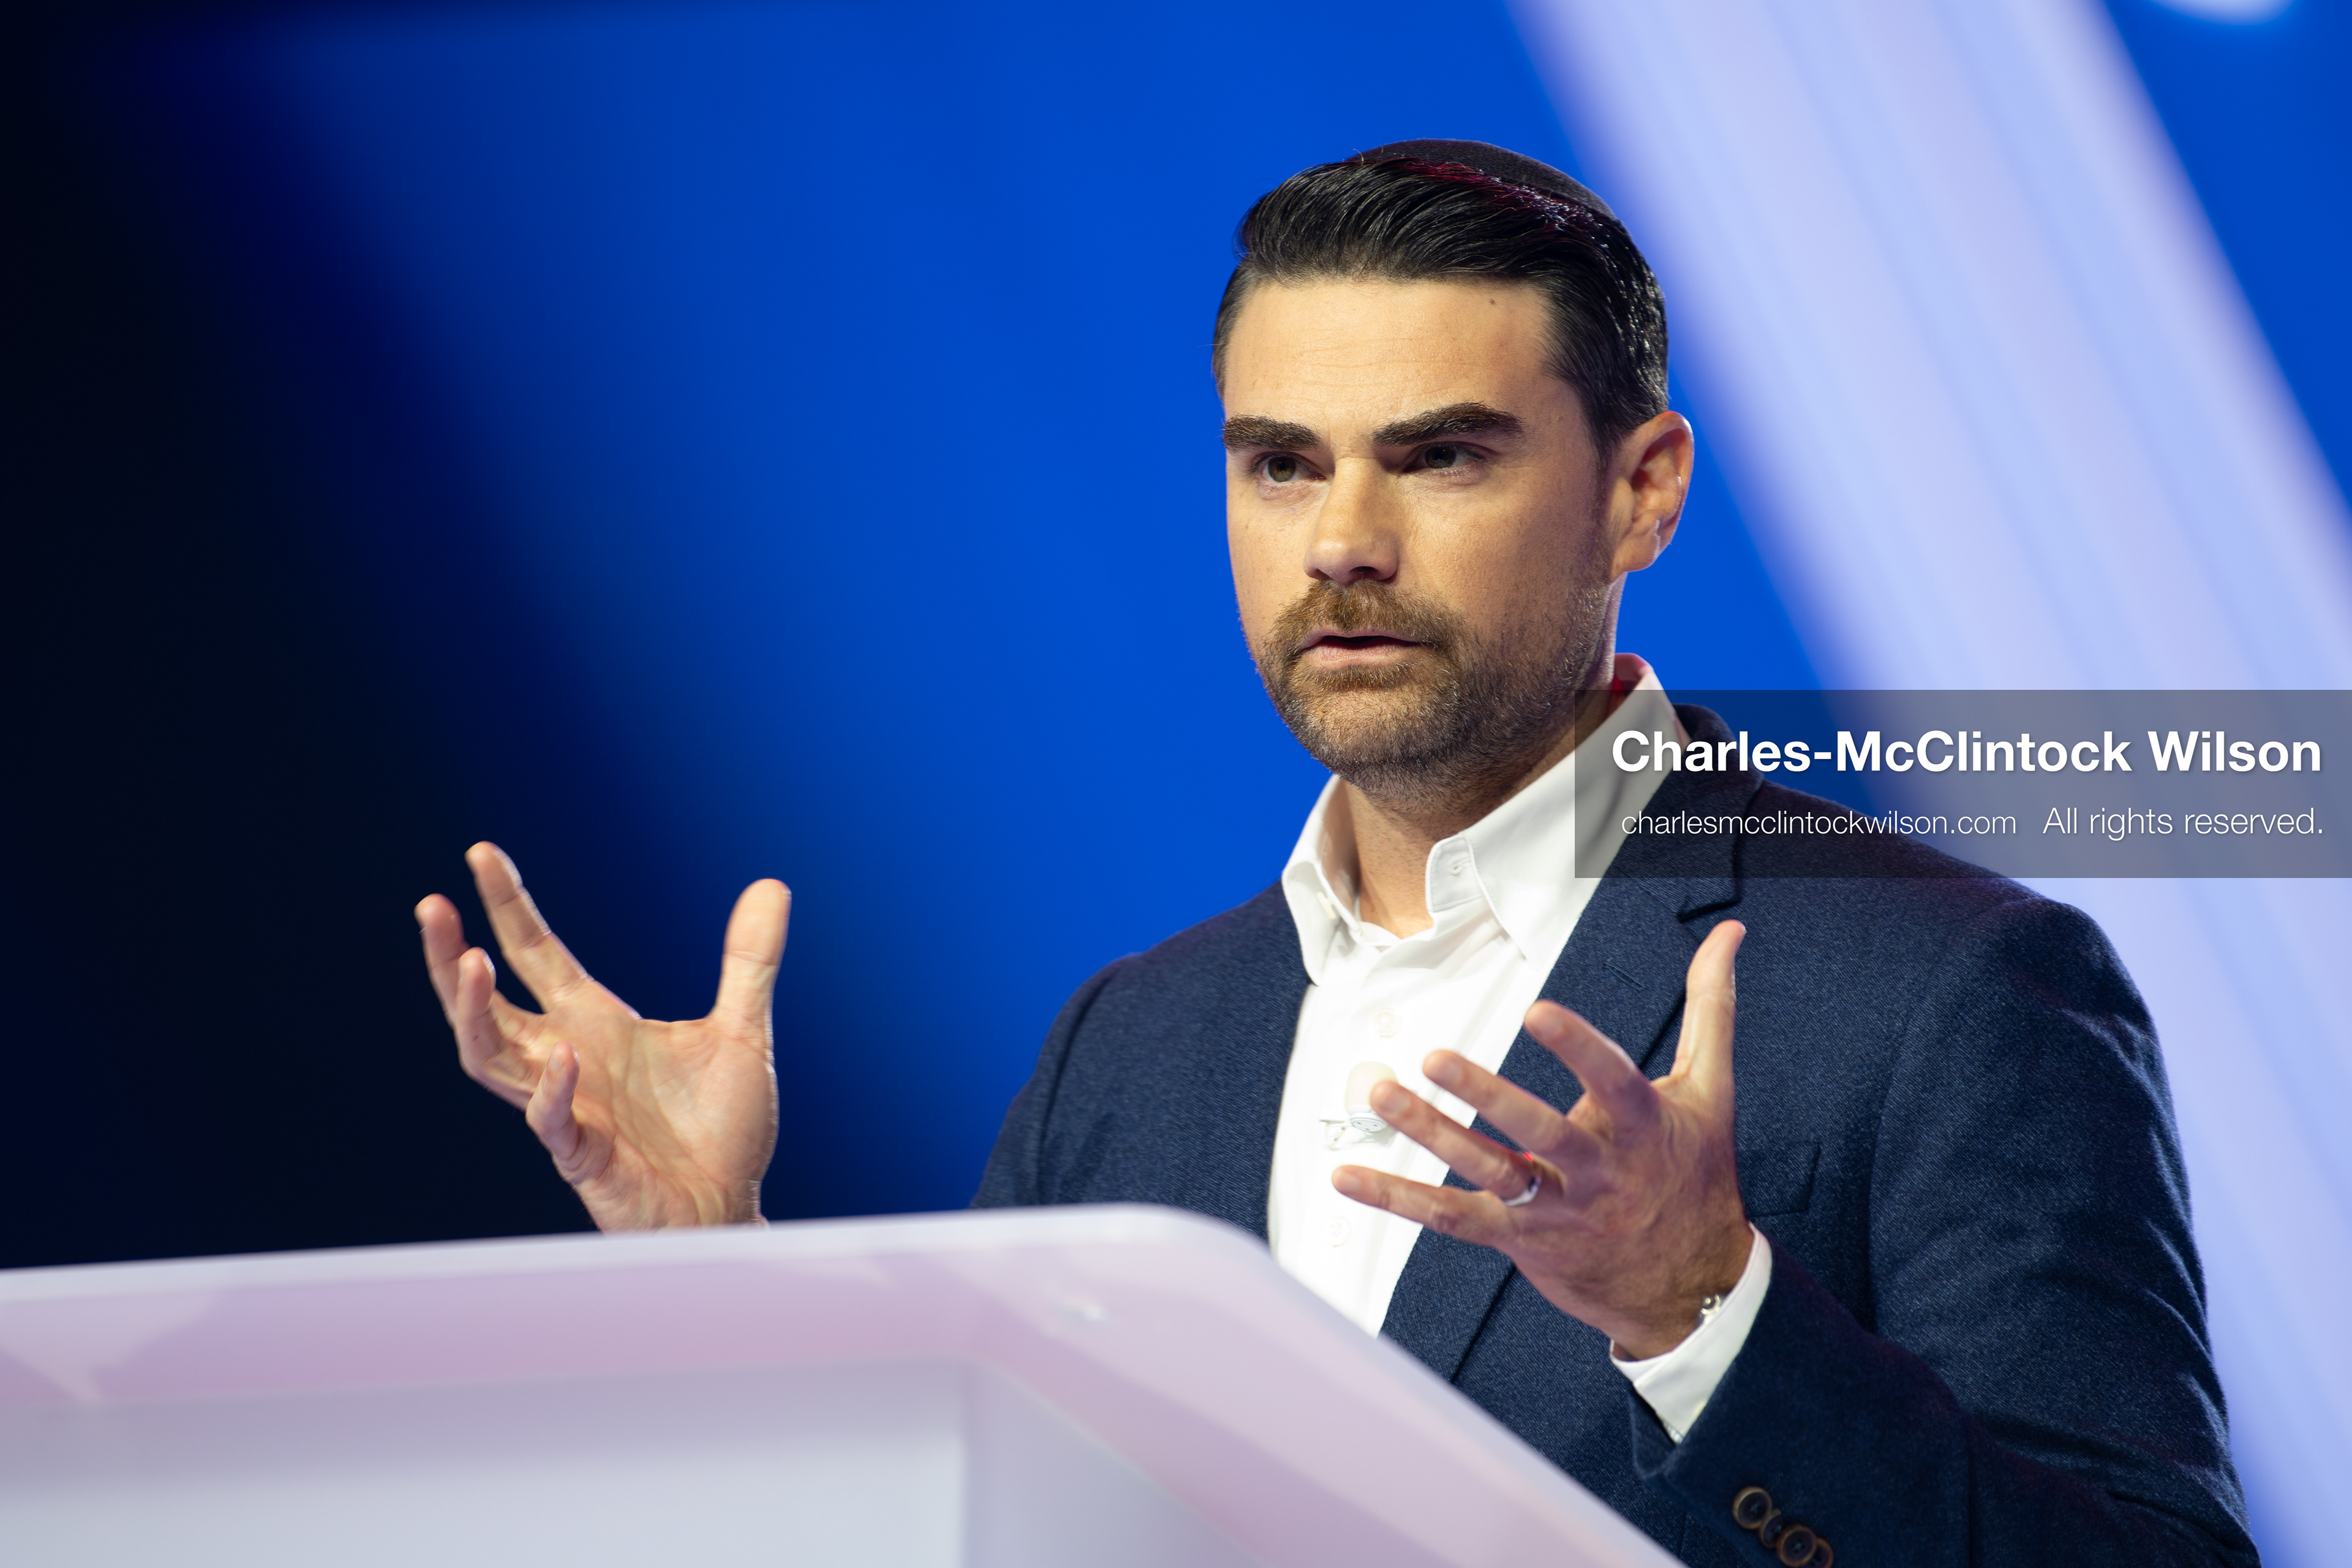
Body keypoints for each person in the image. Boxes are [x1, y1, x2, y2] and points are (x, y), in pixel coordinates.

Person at [415, 142, 2256, 1567]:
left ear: (1646, 487)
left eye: (1439, 457)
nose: (1341, 544)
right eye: (1281, 464)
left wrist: (1707, 1316)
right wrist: (720, 1273)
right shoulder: (1129, 1050)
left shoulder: (1947, 985)